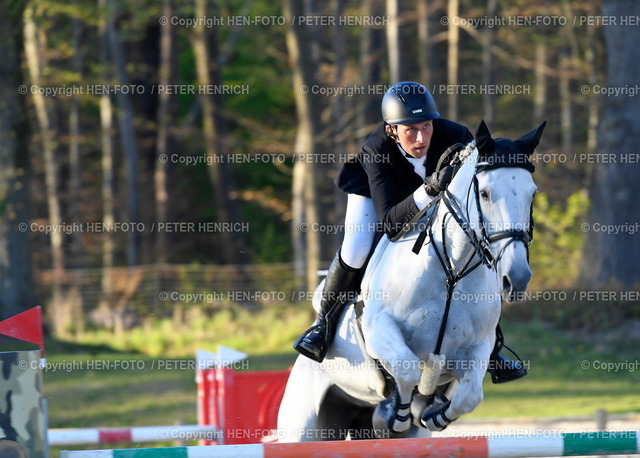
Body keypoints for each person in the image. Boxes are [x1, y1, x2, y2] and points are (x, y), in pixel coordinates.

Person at [294, 81, 527, 384]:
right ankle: (323, 325)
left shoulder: (456, 136)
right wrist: (430, 188)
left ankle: (491, 348)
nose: (421, 138)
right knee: (356, 249)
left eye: (427, 127)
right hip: (378, 198)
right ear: (392, 129)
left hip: (438, 202)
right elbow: (390, 224)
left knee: (477, 250)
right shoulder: (376, 150)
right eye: (411, 130)